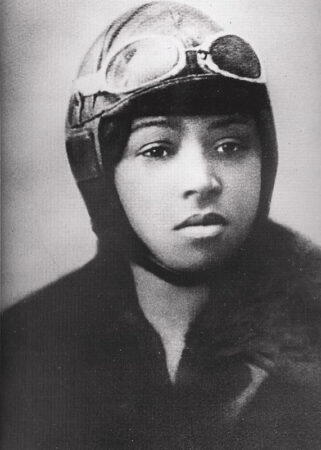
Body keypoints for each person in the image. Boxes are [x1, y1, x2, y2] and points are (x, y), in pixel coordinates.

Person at [1, 2, 320, 449]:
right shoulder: (25, 344)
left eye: (230, 146)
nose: (203, 181)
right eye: (157, 150)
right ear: (98, 173)